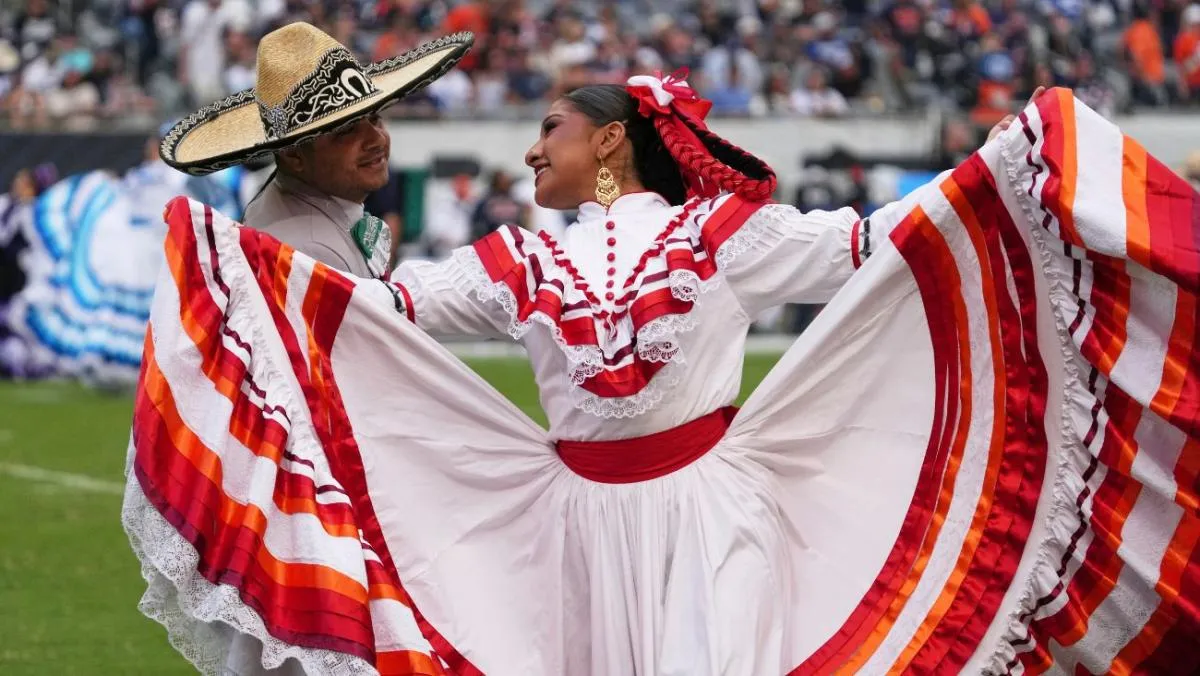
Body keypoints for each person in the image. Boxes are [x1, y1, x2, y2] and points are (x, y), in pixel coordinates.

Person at [127, 73, 1200, 674]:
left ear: (608, 143)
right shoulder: (518, 259)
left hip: (709, 516)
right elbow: (382, 311)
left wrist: (1000, 172)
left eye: (549, 130)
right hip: (574, 532)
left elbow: (873, 245)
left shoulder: (721, 235)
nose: (529, 151)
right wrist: (242, 263)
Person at [158, 22, 476, 278]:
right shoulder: (309, 255)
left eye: (375, 117)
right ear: (293, 154)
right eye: (346, 130)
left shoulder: (307, 216)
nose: (376, 138)